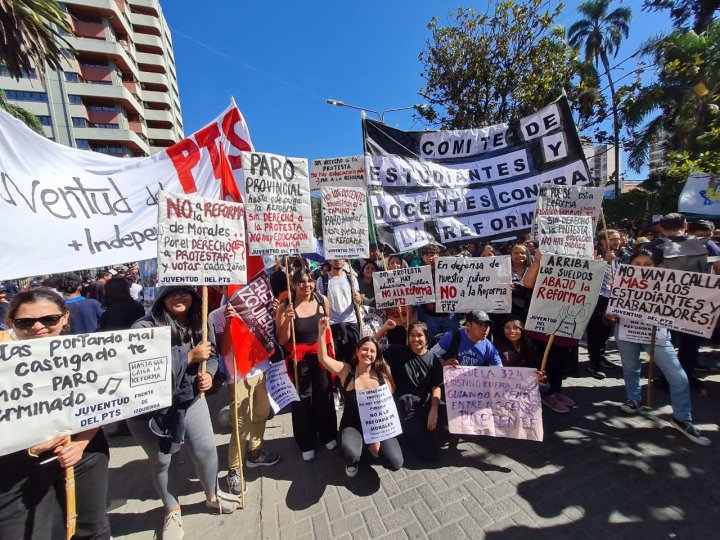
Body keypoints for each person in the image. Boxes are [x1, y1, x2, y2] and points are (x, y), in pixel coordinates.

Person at [127, 286, 238, 540]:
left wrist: (209, 374)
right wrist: (188, 356)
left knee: (206, 449)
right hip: (151, 410)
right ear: (161, 298)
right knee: (161, 461)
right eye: (171, 293)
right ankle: (171, 509)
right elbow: (142, 370)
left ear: (195, 296)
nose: (178, 298)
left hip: (189, 400)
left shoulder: (201, 320)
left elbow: (210, 356)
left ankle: (212, 494)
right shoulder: (144, 328)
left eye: (184, 292)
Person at [1, 289, 111, 539]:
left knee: (91, 527)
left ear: (64, 318)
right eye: (25, 322)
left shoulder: (89, 352)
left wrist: (81, 444)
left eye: (49, 319)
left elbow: (109, 404)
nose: (38, 327)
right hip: (15, 470)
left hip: (82, 455)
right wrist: (28, 446)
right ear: (11, 323)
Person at [609, 252, 711, 446]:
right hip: (626, 333)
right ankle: (634, 399)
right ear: (629, 265)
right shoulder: (619, 283)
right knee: (631, 368)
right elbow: (607, 316)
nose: (642, 267)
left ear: (656, 266)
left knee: (678, 377)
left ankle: (682, 418)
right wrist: (610, 316)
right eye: (637, 264)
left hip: (657, 336)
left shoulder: (667, 286)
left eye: (647, 264)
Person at [317, 316, 403, 476]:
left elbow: (371, 344)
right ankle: (353, 459)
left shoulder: (382, 374)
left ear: (376, 355)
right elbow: (323, 358)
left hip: (379, 426)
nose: (367, 353)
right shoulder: (346, 371)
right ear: (356, 352)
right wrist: (322, 332)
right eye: (363, 349)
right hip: (353, 424)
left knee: (395, 461)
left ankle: (371, 447)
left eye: (372, 351)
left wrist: (376, 437)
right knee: (350, 454)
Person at [211, 296, 279, 496]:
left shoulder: (257, 308)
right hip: (238, 376)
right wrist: (230, 321)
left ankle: (255, 452)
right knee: (240, 424)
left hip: (261, 370)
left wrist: (274, 315)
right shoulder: (217, 315)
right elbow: (223, 350)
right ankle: (235, 468)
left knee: (261, 413)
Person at [274, 269, 337, 461]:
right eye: (301, 282)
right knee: (302, 399)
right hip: (298, 359)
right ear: (293, 285)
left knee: (324, 394)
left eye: (310, 281)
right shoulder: (285, 307)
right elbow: (282, 340)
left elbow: (328, 331)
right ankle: (306, 441)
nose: (306, 285)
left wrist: (332, 355)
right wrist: (288, 321)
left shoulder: (322, 300)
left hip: (321, 356)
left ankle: (327, 433)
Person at [374, 320, 442, 461]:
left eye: (419, 335)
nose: (415, 339)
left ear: (426, 338)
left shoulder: (432, 359)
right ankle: (403, 433)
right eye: (412, 335)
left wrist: (434, 410)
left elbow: (436, 387)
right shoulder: (398, 351)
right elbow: (370, 345)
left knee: (443, 431)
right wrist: (385, 328)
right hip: (407, 407)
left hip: (425, 404)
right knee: (428, 455)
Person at [523, 251, 579, 414]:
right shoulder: (545, 261)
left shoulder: (580, 262)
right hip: (543, 324)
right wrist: (537, 262)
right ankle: (546, 394)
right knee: (545, 363)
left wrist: (595, 265)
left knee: (559, 362)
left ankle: (556, 390)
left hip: (566, 325)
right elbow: (527, 283)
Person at [586, 230, 622, 379]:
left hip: (610, 297)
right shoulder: (595, 253)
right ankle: (594, 363)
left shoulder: (615, 256)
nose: (617, 242)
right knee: (596, 331)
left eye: (618, 239)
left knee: (606, 330)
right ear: (603, 241)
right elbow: (589, 274)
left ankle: (600, 356)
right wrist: (605, 261)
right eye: (613, 239)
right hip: (596, 298)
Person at [315, 259, 362, 363]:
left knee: (354, 359)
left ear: (344, 260)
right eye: (334, 257)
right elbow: (319, 303)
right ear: (329, 260)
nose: (337, 260)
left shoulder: (351, 278)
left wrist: (358, 298)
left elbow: (357, 297)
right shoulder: (322, 280)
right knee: (336, 358)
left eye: (340, 257)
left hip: (351, 323)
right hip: (332, 325)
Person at [430, 310, 502, 367]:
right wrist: (445, 364)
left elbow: (499, 370)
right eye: (480, 325)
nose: (485, 329)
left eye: (487, 325)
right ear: (468, 325)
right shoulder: (452, 337)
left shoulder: (489, 346)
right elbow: (431, 354)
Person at [416, 244, 459, 338]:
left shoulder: (450, 269)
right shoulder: (417, 273)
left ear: (438, 255)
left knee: (453, 342)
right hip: (430, 316)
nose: (430, 258)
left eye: (432, 255)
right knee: (433, 344)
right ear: (422, 257)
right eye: (427, 255)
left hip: (449, 315)